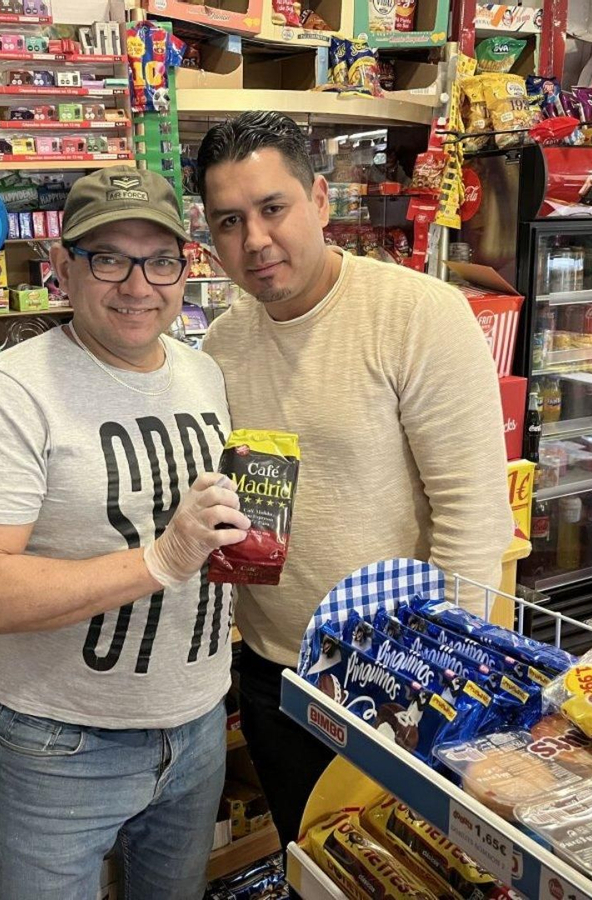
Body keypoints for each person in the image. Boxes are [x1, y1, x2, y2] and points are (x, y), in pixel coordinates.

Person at [194, 111, 513, 848]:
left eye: (273, 209)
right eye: (229, 222)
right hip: (278, 678)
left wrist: (450, 689)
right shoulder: (223, 342)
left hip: (402, 680)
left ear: (321, 200)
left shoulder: (418, 315)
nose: (255, 241)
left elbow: (472, 516)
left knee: (419, 874)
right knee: (316, 869)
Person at [0, 167, 248, 899]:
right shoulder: (10, 394)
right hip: (61, 746)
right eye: (109, 258)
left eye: (160, 259)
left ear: (184, 267)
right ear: (62, 269)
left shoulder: (206, 373)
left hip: (199, 726)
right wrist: (163, 558)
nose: (138, 286)